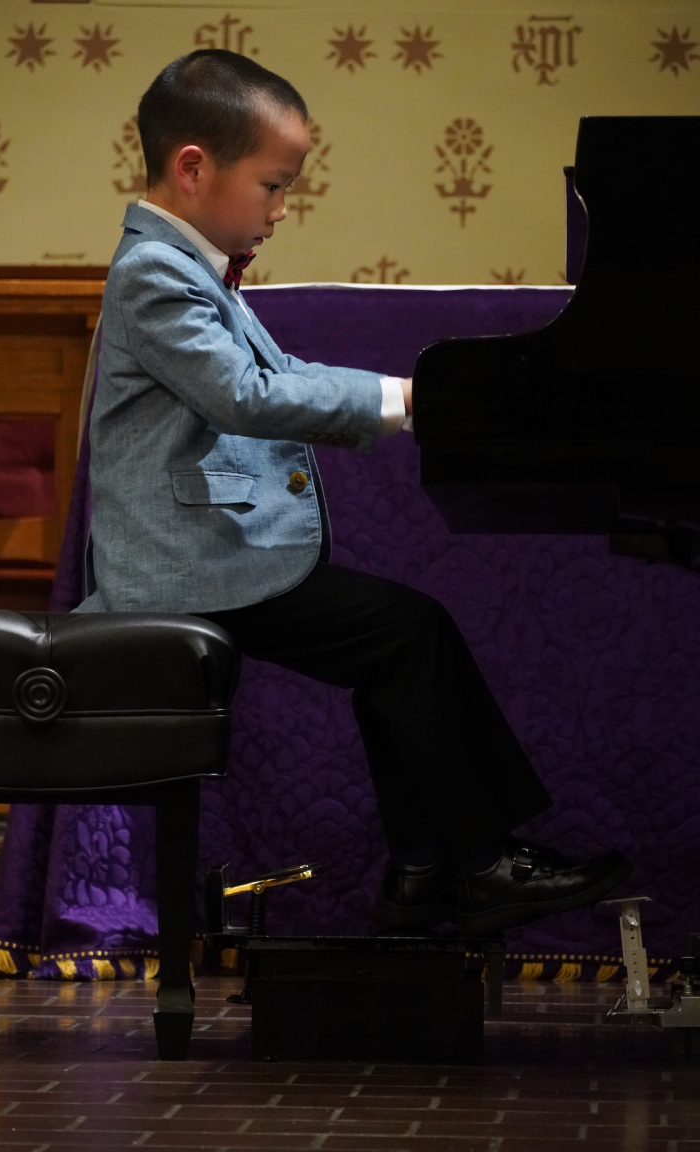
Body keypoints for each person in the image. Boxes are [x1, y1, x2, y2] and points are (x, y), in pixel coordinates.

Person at [76, 48, 631, 935]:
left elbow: (283, 371)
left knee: (400, 644)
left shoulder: (188, 266)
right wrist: (407, 401)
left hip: (205, 559)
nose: (281, 210)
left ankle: (428, 872)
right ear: (193, 168)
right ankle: (477, 865)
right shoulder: (155, 273)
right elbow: (245, 394)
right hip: (182, 571)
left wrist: (410, 393)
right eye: (273, 186)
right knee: (409, 636)